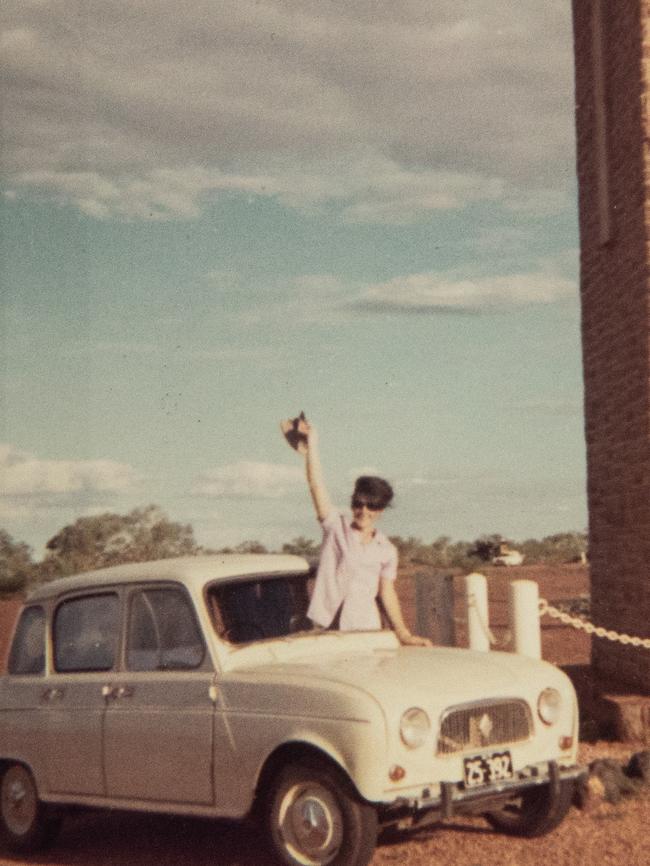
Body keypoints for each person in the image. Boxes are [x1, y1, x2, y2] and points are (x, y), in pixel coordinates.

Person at [282, 414, 431, 646]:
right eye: (358, 503)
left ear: (380, 510)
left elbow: (386, 592)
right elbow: (316, 484)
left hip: (366, 631)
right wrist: (312, 445)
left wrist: (403, 633)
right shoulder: (335, 527)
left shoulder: (387, 550)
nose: (364, 510)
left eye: (372, 506)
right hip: (327, 630)